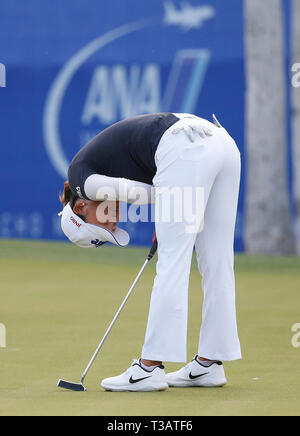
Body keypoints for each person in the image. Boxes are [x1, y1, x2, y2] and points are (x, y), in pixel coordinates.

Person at [59, 112, 242, 392]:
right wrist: (177, 207)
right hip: (221, 143)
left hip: (186, 147)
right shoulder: (90, 177)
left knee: (172, 262)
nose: (113, 222)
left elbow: (138, 191)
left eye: (103, 226)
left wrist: (172, 209)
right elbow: (162, 189)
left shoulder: (80, 179)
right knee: (218, 261)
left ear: (81, 208)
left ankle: (148, 369)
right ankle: (208, 364)